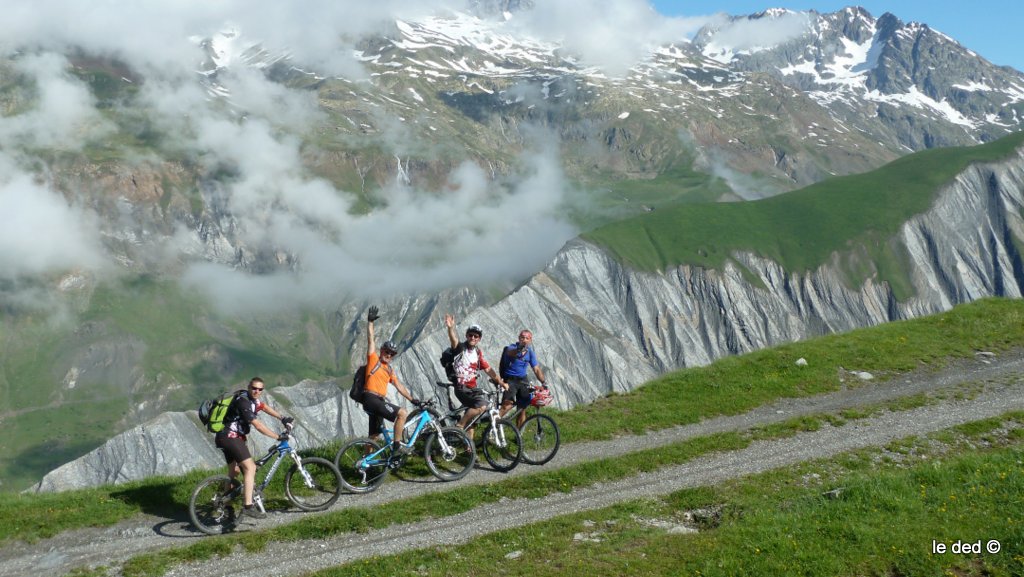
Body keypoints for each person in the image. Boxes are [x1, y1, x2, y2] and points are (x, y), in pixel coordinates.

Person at [214, 377, 293, 519]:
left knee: (234, 472)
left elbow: (264, 407)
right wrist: (277, 437)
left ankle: (226, 505)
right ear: (249, 387)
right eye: (254, 388)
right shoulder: (243, 402)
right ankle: (248, 506)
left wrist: (282, 418)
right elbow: (258, 425)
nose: (256, 391)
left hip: (224, 437)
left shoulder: (252, 400)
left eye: (260, 389)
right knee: (251, 468)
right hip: (230, 438)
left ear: (262, 390)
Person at [361, 305, 420, 456]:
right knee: (402, 414)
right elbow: (370, 340)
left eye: (391, 354)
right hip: (372, 398)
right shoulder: (373, 359)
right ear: (381, 351)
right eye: (387, 351)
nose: (388, 355)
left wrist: (412, 399)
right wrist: (370, 322)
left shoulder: (389, 370)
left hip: (376, 401)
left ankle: (366, 463)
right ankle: (397, 446)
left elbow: (399, 386)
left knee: (374, 436)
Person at [444, 314, 506, 430]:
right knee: (481, 406)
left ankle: (469, 447)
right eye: (470, 335)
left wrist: (501, 383)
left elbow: (488, 369)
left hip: (472, 388)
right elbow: (454, 340)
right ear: (467, 336)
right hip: (462, 387)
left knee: (473, 421)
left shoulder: (477, 352)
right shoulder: (460, 348)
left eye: (476, 336)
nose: (473, 338)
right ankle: (459, 426)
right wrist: (450, 328)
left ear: (479, 339)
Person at [498, 329, 547, 427]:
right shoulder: (511, 347)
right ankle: (492, 427)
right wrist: (519, 349)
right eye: (522, 337)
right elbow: (510, 353)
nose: (524, 340)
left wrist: (544, 382)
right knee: (507, 405)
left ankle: (519, 434)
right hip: (510, 380)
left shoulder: (530, 353)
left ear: (530, 340)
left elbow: (536, 369)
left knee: (522, 409)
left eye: (527, 338)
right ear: (519, 338)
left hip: (523, 380)